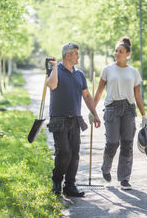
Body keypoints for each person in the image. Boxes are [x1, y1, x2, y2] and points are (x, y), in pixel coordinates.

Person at [90, 36, 147, 190]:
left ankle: (124, 178)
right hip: (112, 109)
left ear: (128, 54)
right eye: (116, 51)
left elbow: (137, 95)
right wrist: (92, 110)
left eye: (120, 51)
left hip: (129, 109)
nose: (116, 53)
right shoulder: (107, 70)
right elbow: (99, 91)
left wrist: (144, 115)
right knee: (112, 143)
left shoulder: (133, 72)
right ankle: (106, 168)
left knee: (127, 144)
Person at [47, 42, 101, 197]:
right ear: (68, 55)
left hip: (75, 119)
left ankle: (70, 185)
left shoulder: (80, 74)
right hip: (59, 118)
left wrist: (95, 114)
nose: (79, 56)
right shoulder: (55, 70)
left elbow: (87, 96)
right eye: (76, 53)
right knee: (64, 152)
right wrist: (55, 67)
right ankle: (57, 180)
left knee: (74, 154)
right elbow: (51, 85)